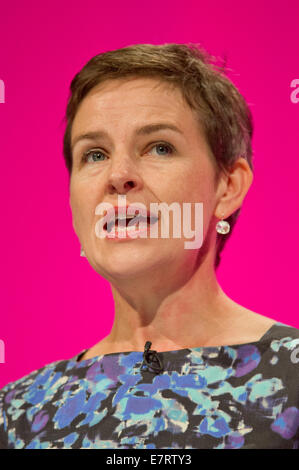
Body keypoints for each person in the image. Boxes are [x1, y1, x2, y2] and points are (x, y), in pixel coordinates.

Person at [1, 42, 299, 450]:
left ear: (228, 186)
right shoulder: (16, 415)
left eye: (160, 147)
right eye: (94, 154)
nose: (119, 175)